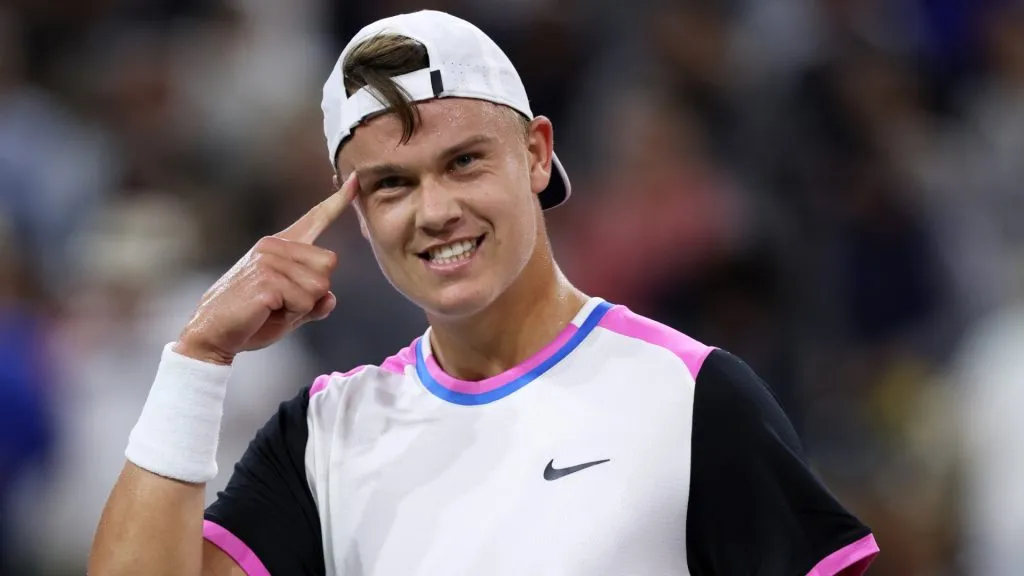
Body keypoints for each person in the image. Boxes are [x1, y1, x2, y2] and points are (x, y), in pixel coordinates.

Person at [89, 10, 879, 576]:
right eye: (393, 183)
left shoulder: (694, 394)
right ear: (357, 212)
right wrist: (199, 356)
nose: (435, 211)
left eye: (464, 162)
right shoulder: (324, 437)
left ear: (536, 155)